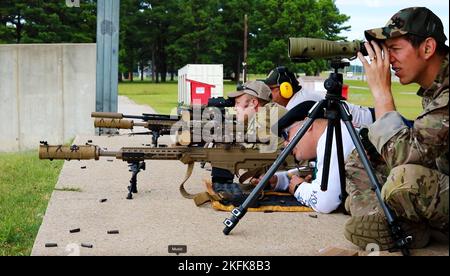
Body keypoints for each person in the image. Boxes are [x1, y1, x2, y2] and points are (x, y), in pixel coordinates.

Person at [344, 6, 449, 251]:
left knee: (404, 179)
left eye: (394, 49)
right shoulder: (436, 86)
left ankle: (399, 224)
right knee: (363, 156)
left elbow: (405, 157)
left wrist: (382, 94)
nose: (389, 59)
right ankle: (382, 220)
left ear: (427, 48)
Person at [254, 101, 356, 213]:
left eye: (286, 135)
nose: (285, 143)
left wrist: (299, 188)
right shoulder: (334, 133)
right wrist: (279, 180)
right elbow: (313, 172)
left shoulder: (333, 140)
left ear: (307, 125)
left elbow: (325, 202)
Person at [211, 80, 287, 183]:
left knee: (225, 154)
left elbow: (251, 147)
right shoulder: (260, 115)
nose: (235, 108)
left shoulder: (268, 113)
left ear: (254, 103)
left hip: (291, 175)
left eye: (238, 103)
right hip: (283, 175)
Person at [264, 66, 375, 128]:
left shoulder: (299, 103)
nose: (268, 94)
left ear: (285, 89)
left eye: (270, 89)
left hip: (370, 122)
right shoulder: (298, 99)